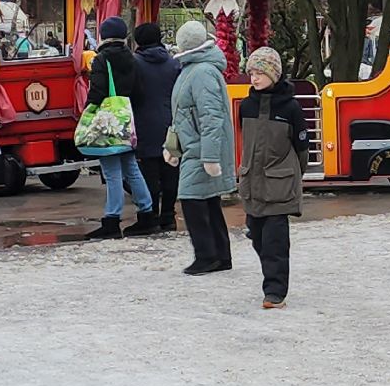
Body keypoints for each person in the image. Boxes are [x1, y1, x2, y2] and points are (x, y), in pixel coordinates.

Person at [236, 46, 307, 309]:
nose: (254, 78)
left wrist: (291, 175)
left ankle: (275, 292)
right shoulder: (246, 106)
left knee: (275, 240)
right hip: (253, 183)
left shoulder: (291, 108)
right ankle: (271, 276)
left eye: (260, 73)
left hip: (279, 185)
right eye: (252, 73)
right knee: (257, 235)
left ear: (274, 75)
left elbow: (301, 149)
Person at [169, 19, 237, 274]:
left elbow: (211, 117)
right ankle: (220, 255)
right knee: (207, 201)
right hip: (195, 147)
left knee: (192, 199)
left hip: (200, 149)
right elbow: (183, 114)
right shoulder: (196, 69)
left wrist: (210, 156)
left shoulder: (201, 72)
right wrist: (172, 147)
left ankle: (208, 256)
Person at [83, 17, 159, 239]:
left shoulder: (101, 60)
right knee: (131, 168)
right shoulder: (132, 59)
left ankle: (112, 220)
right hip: (127, 120)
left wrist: (88, 113)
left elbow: (97, 91)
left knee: (112, 172)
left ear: (104, 36)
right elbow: (140, 92)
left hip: (108, 122)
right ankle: (147, 213)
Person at [129, 21, 183, 232]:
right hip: (170, 124)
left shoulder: (135, 64)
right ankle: (168, 215)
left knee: (148, 174)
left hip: (144, 125)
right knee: (170, 171)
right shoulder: (173, 63)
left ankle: (150, 215)